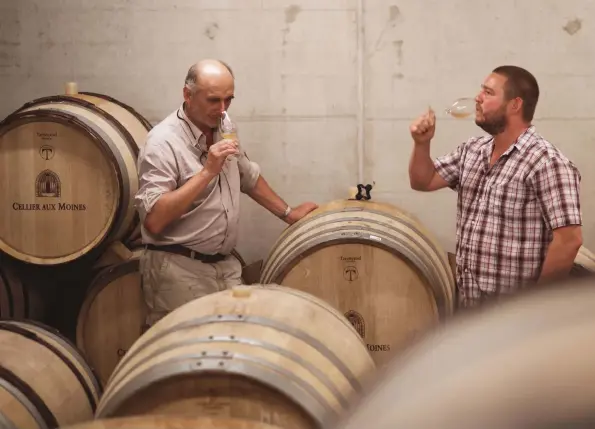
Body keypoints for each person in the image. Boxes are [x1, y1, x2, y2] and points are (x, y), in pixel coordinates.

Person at [134, 59, 318, 326]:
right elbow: (154, 220)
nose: (222, 109)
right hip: (180, 271)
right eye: (213, 100)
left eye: (228, 100)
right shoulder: (162, 143)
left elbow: (247, 175)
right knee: (192, 355)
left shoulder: (223, 129)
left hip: (225, 267)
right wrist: (207, 171)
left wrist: (288, 214)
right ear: (187, 94)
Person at [408, 65, 583, 309]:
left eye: (488, 92)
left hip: (513, 314)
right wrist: (421, 143)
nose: (478, 98)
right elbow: (422, 181)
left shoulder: (546, 162)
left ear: (515, 105)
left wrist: (537, 307)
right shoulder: (472, 150)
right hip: (471, 308)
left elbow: (568, 240)